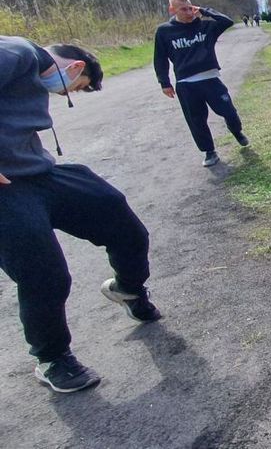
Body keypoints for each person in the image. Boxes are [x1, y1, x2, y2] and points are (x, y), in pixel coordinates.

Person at [0, 36, 161, 394]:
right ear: (74, 67)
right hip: (6, 190)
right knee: (44, 272)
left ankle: (129, 290)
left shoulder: (24, 70)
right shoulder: (18, 52)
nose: (64, 94)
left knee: (118, 216)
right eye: (74, 88)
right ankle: (52, 359)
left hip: (38, 173)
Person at [154, 0, 249, 167]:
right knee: (196, 120)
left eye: (190, 8)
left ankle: (237, 131)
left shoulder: (205, 26)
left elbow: (227, 22)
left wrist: (205, 11)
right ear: (172, 10)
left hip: (211, 79)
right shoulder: (164, 31)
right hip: (186, 84)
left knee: (229, 111)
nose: (188, 12)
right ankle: (209, 151)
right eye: (183, 9)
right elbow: (160, 58)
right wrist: (164, 82)